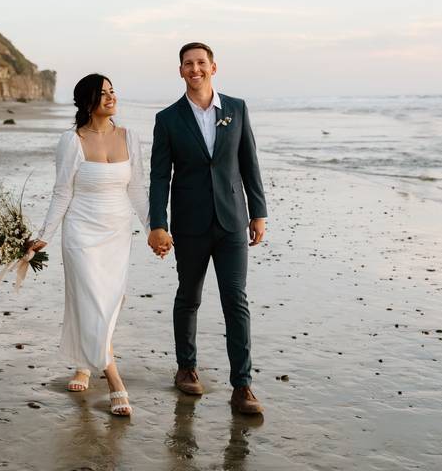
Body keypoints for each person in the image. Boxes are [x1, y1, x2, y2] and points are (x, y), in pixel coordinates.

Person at [147, 42, 268, 415]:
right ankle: (186, 367)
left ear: (214, 67)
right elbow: (159, 177)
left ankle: (242, 386)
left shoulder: (237, 108)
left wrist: (258, 212)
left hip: (232, 220)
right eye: (188, 64)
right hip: (190, 222)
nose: (195, 69)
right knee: (189, 296)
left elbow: (249, 161)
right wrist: (158, 224)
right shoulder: (168, 119)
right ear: (180, 71)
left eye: (201, 62)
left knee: (236, 300)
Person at [27, 74, 149, 417]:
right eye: (102, 93)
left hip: (117, 233)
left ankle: (84, 362)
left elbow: (137, 188)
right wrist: (45, 233)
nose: (111, 97)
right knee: (91, 301)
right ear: (86, 101)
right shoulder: (72, 140)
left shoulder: (129, 137)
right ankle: (114, 381)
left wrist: (154, 226)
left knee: (109, 302)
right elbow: (62, 190)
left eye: (113, 90)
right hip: (81, 232)